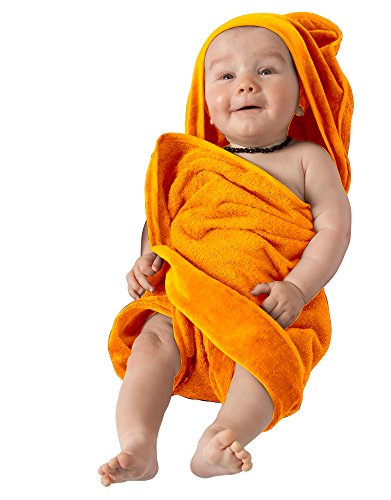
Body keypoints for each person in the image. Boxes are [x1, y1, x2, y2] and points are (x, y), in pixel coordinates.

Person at [99, 15, 352, 486]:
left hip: (263, 303)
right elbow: (163, 222)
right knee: (151, 343)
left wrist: (298, 288)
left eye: (267, 70)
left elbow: (334, 230)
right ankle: (137, 442)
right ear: (207, 105)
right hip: (186, 298)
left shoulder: (307, 159)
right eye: (227, 75)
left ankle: (221, 437)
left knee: (266, 363)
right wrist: (147, 258)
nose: (246, 85)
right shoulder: (194, 162)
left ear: (301, 97)